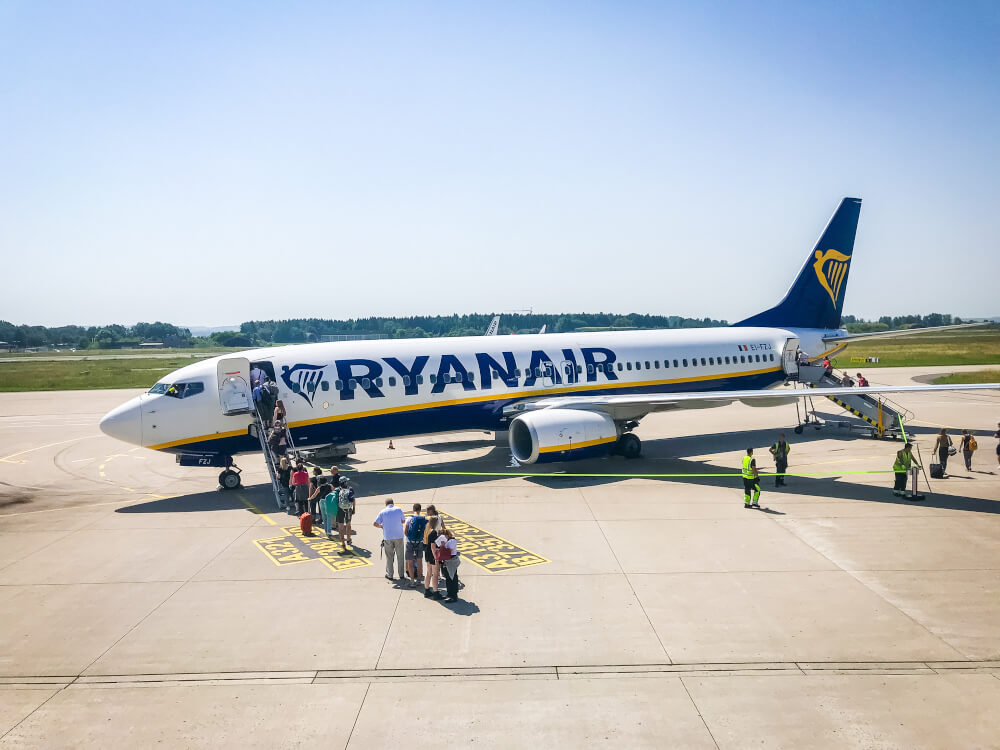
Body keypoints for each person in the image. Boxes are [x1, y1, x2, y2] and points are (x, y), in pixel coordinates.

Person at [373, 498, 405, 581]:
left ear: (386, 504)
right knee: (400, 556)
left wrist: (381, 526)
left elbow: (375, 523)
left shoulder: (383, 511)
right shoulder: (399, 509)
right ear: (393, 503)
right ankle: (401, 575)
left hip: (388, 537)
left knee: (389, 557)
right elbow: (403, 521)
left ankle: (390, 575)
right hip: (399, 536)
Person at [404, 503, 428, 589]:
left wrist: (410, 538)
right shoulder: (423, 519)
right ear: (420, 510)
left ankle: (412, 581)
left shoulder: (409, 519)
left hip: (410, 542)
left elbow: (405, 532)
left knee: (410, 562)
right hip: (419, 542)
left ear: (413, 509)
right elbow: (425, 532)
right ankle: (419, 579)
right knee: (419, 561)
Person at [435, 528, 461, 603]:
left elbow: (450, 551)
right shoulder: (448, 541)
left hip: (452, 561)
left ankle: (453, 595)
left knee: (452, 578)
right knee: (448, 578)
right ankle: (449, 594)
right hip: (448, 561)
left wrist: (443, 546)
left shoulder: (452, 541)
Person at [423, 515, 443, 599]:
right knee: (435, 574)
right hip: (432, 555)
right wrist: (436, 558)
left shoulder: (428, 530)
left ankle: (427, 590)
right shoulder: (434, 532)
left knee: (429, 572)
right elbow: (433, 546)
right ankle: (436, 592)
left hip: (427, 554)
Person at [335, 476, 355, 552]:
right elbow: (353, 500)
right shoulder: (350, 489)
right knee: (348, 524)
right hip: (348, 509)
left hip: (340, 509)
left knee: (340, 527)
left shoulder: (337, 490)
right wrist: (353, 509)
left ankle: (343, 543)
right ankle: (349, 539)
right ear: (345, 482)